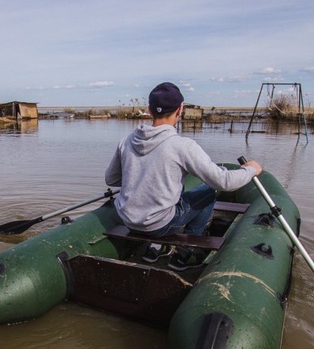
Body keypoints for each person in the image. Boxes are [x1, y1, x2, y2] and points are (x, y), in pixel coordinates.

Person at [105, 82, 262, 271]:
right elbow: (223, 182)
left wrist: (139, 175)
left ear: (149, 110)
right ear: (180, 109)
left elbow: (111, 179)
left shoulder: (127, 141)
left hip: (128, 220)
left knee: (178, 193)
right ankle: (184, 254)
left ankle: (155, 248)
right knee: (208, 192)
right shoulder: (182, 146)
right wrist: (251, 169)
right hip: (159, 225)